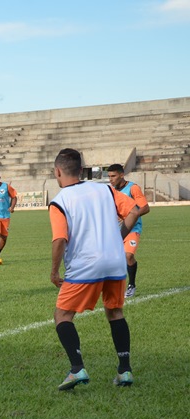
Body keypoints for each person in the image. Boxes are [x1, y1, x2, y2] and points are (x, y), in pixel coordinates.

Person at [49, 148, 142, 390]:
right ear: (81, 170)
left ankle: (77, 369)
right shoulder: (105, 189)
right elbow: (135, 210)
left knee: (62, 315)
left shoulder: (59, 201)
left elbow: (59, 239)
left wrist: (54, 271)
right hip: (115, 260)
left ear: (57, 171)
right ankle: (125, 371)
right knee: (115, 312)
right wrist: (116, 236)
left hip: (86, 265)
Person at [107, 164, 150, 297]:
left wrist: (128, 216)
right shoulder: (110, 191)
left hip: (132, 228)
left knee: (128, 256)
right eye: (109, 176)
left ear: (121, 174)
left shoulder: (133, 188)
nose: (111, 179)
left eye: (113, 176)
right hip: (115, 230)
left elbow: (145, 208)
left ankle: (131, 285)